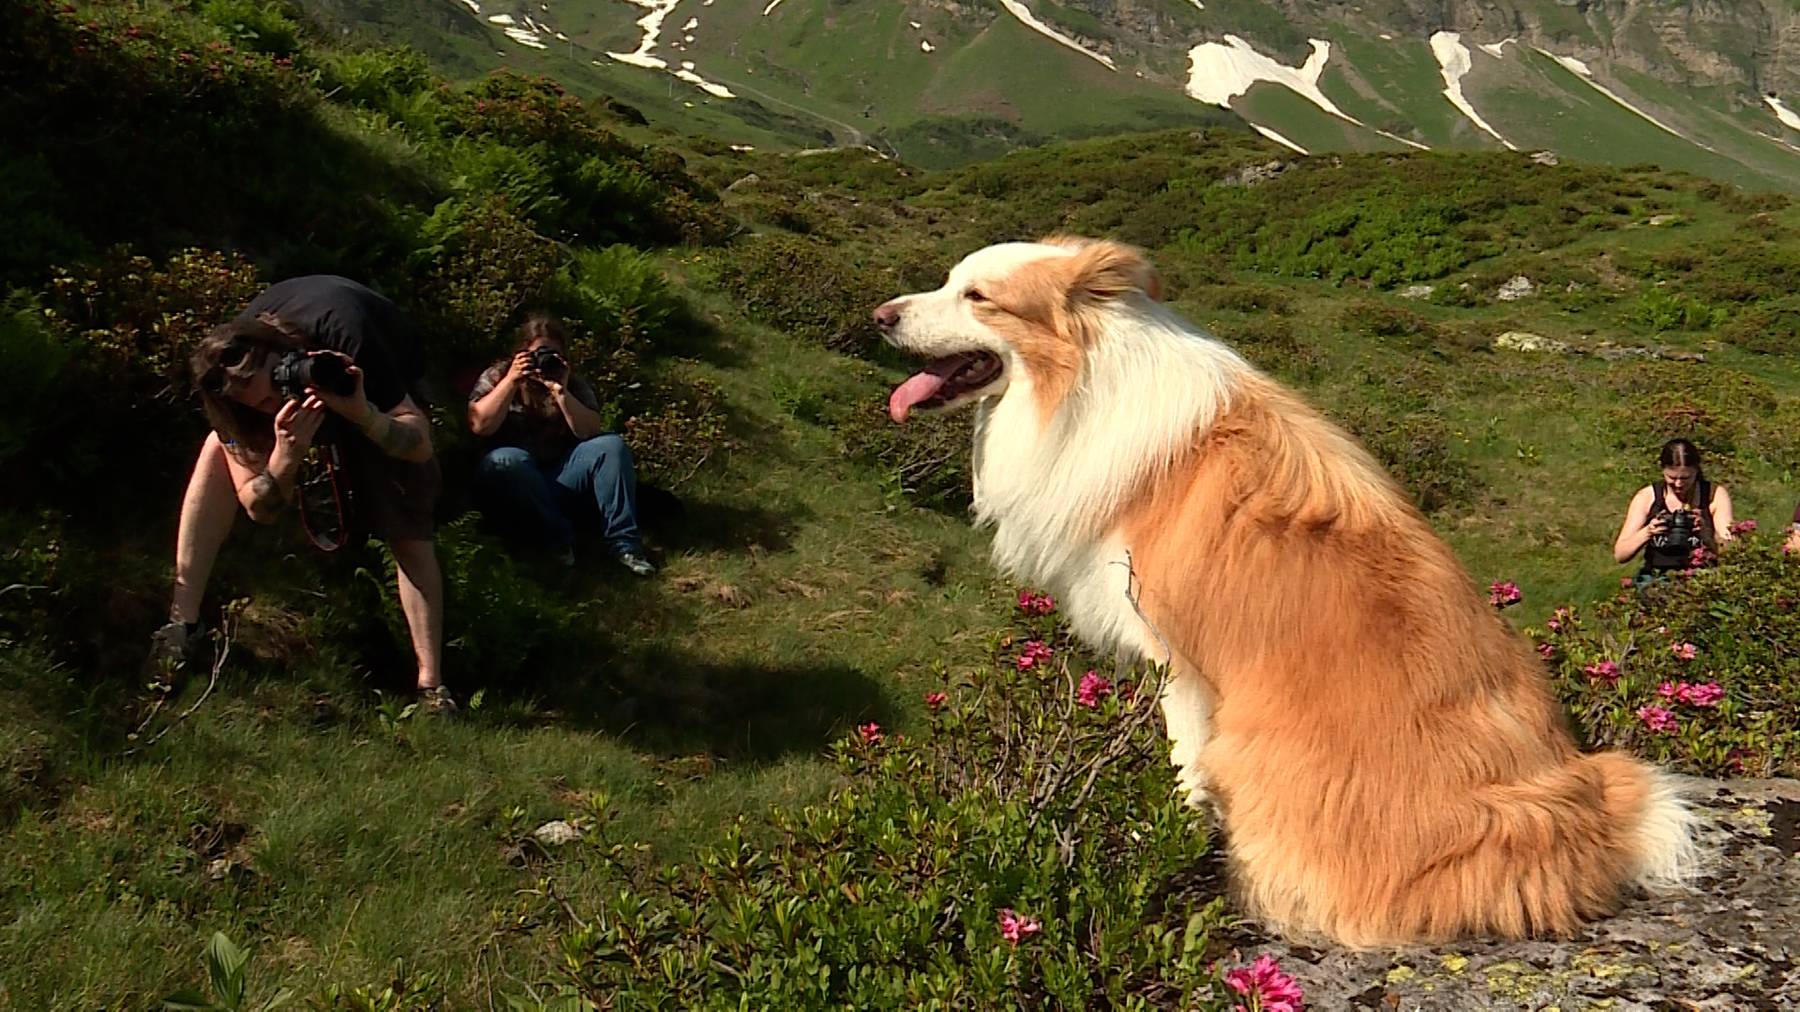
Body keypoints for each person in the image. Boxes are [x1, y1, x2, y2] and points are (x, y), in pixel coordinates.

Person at [150, 276, 454, 713]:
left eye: (277, 386)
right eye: (261, 403)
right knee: (216, 449)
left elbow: (420, 445)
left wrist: (363, 415)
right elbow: (259, 507)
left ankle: (432, 686)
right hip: (288, 407)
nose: (277, 403)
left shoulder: (348, 338)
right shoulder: (224, 382)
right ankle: (181, 625)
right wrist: (284, 459)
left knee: (404, 518)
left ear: (286, 354)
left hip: (378, 382)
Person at [466, 315, 657, 576]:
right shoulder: (498, 375)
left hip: (559, 475)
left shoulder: (571, 383)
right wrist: (511, 381)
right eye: (536, 354)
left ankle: (625, 545)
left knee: (612, 446)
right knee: (508, 460)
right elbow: (480, 425)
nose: (543, 360)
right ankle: (557, 539)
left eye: (552, 353)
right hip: (512, 481)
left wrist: (561, 392)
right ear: (521, 353)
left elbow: (590, 432)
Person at [1612, 438, 1736, 586]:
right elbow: (1620, 554)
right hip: (1656, 577)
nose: (1678, 484)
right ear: (1663, 470)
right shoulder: (1647, 497)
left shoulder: (1714, 496)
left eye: (1685, 478)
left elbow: (1732, 552)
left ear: (1696, 471)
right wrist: (1648, 532)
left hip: (1702, 578)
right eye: (1672, 478)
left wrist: (1706, 534)